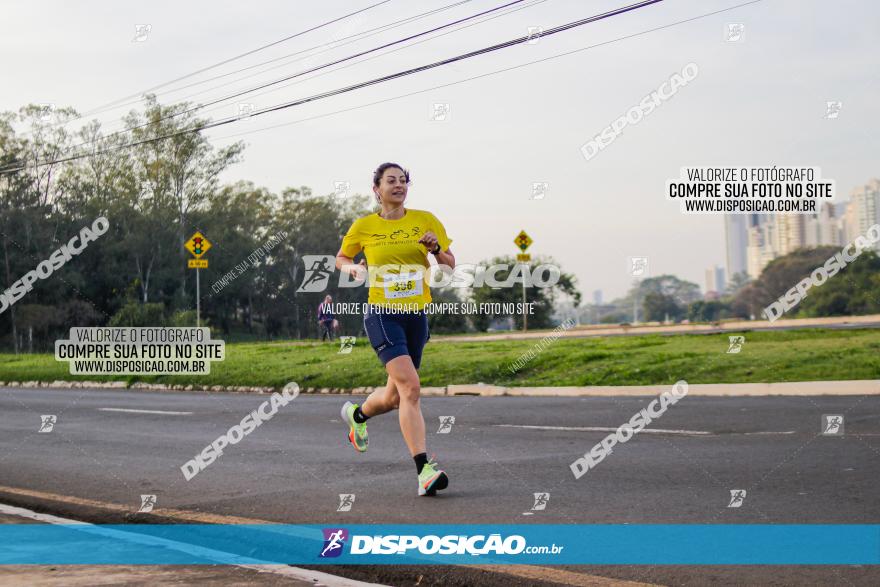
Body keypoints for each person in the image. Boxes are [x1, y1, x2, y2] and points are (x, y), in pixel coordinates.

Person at [335, 162, 455, 496]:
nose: (399, 185)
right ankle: (424, 471)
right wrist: (354, 269)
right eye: (391, 181)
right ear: (376, 189)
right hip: (382, 314)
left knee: (393, 396)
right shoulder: (364, 225)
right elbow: (340, 258)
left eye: (404, 180)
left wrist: (435, 250)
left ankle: (357, 415)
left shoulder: (425, 220)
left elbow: (450, 264)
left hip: (416, 315)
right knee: (411, 388)